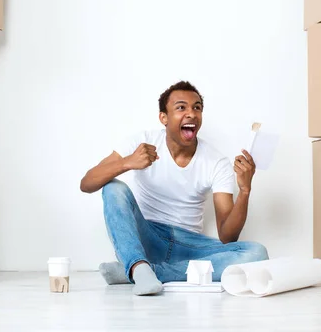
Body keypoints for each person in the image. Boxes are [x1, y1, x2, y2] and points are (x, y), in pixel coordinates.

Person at [80, 81, 268, 295]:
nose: (191, 114)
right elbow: (87, 183)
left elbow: (227, 236)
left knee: (256, 253)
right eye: (181, 107)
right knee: (113, 187)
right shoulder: (142, 141)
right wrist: (127, 162)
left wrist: (245, 191)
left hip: (190, 246)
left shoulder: (216, 161)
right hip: (147, 236)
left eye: (197, 108)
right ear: (164, 117)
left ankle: (139, 270)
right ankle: (138, 265)